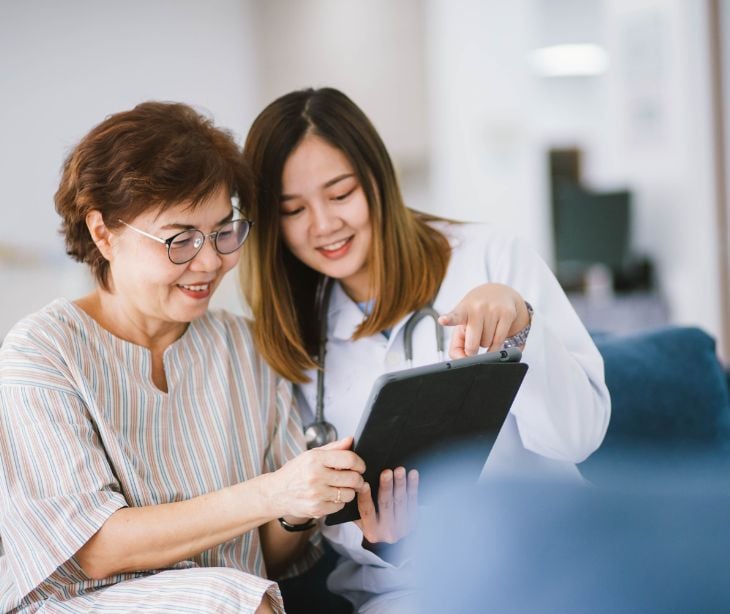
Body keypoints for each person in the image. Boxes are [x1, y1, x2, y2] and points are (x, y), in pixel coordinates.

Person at [240, 87, 611, 612]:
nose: (323, 225)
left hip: (548, 554)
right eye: (293, 209)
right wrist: (387, 539)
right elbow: (311, 522)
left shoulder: (489, 257)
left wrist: (522, 325)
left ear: (378, 181)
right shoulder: (290, 335)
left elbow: (580, 437)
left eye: (341, 193)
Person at [0, 101, 368, 613]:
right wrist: (269, 493)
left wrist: (299, 508)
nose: (211, 261)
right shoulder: (41, 354)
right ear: (104, 233)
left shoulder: (245, 348)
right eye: (179, 240)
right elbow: (97, 549)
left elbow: (268, 558)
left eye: (223, 231)